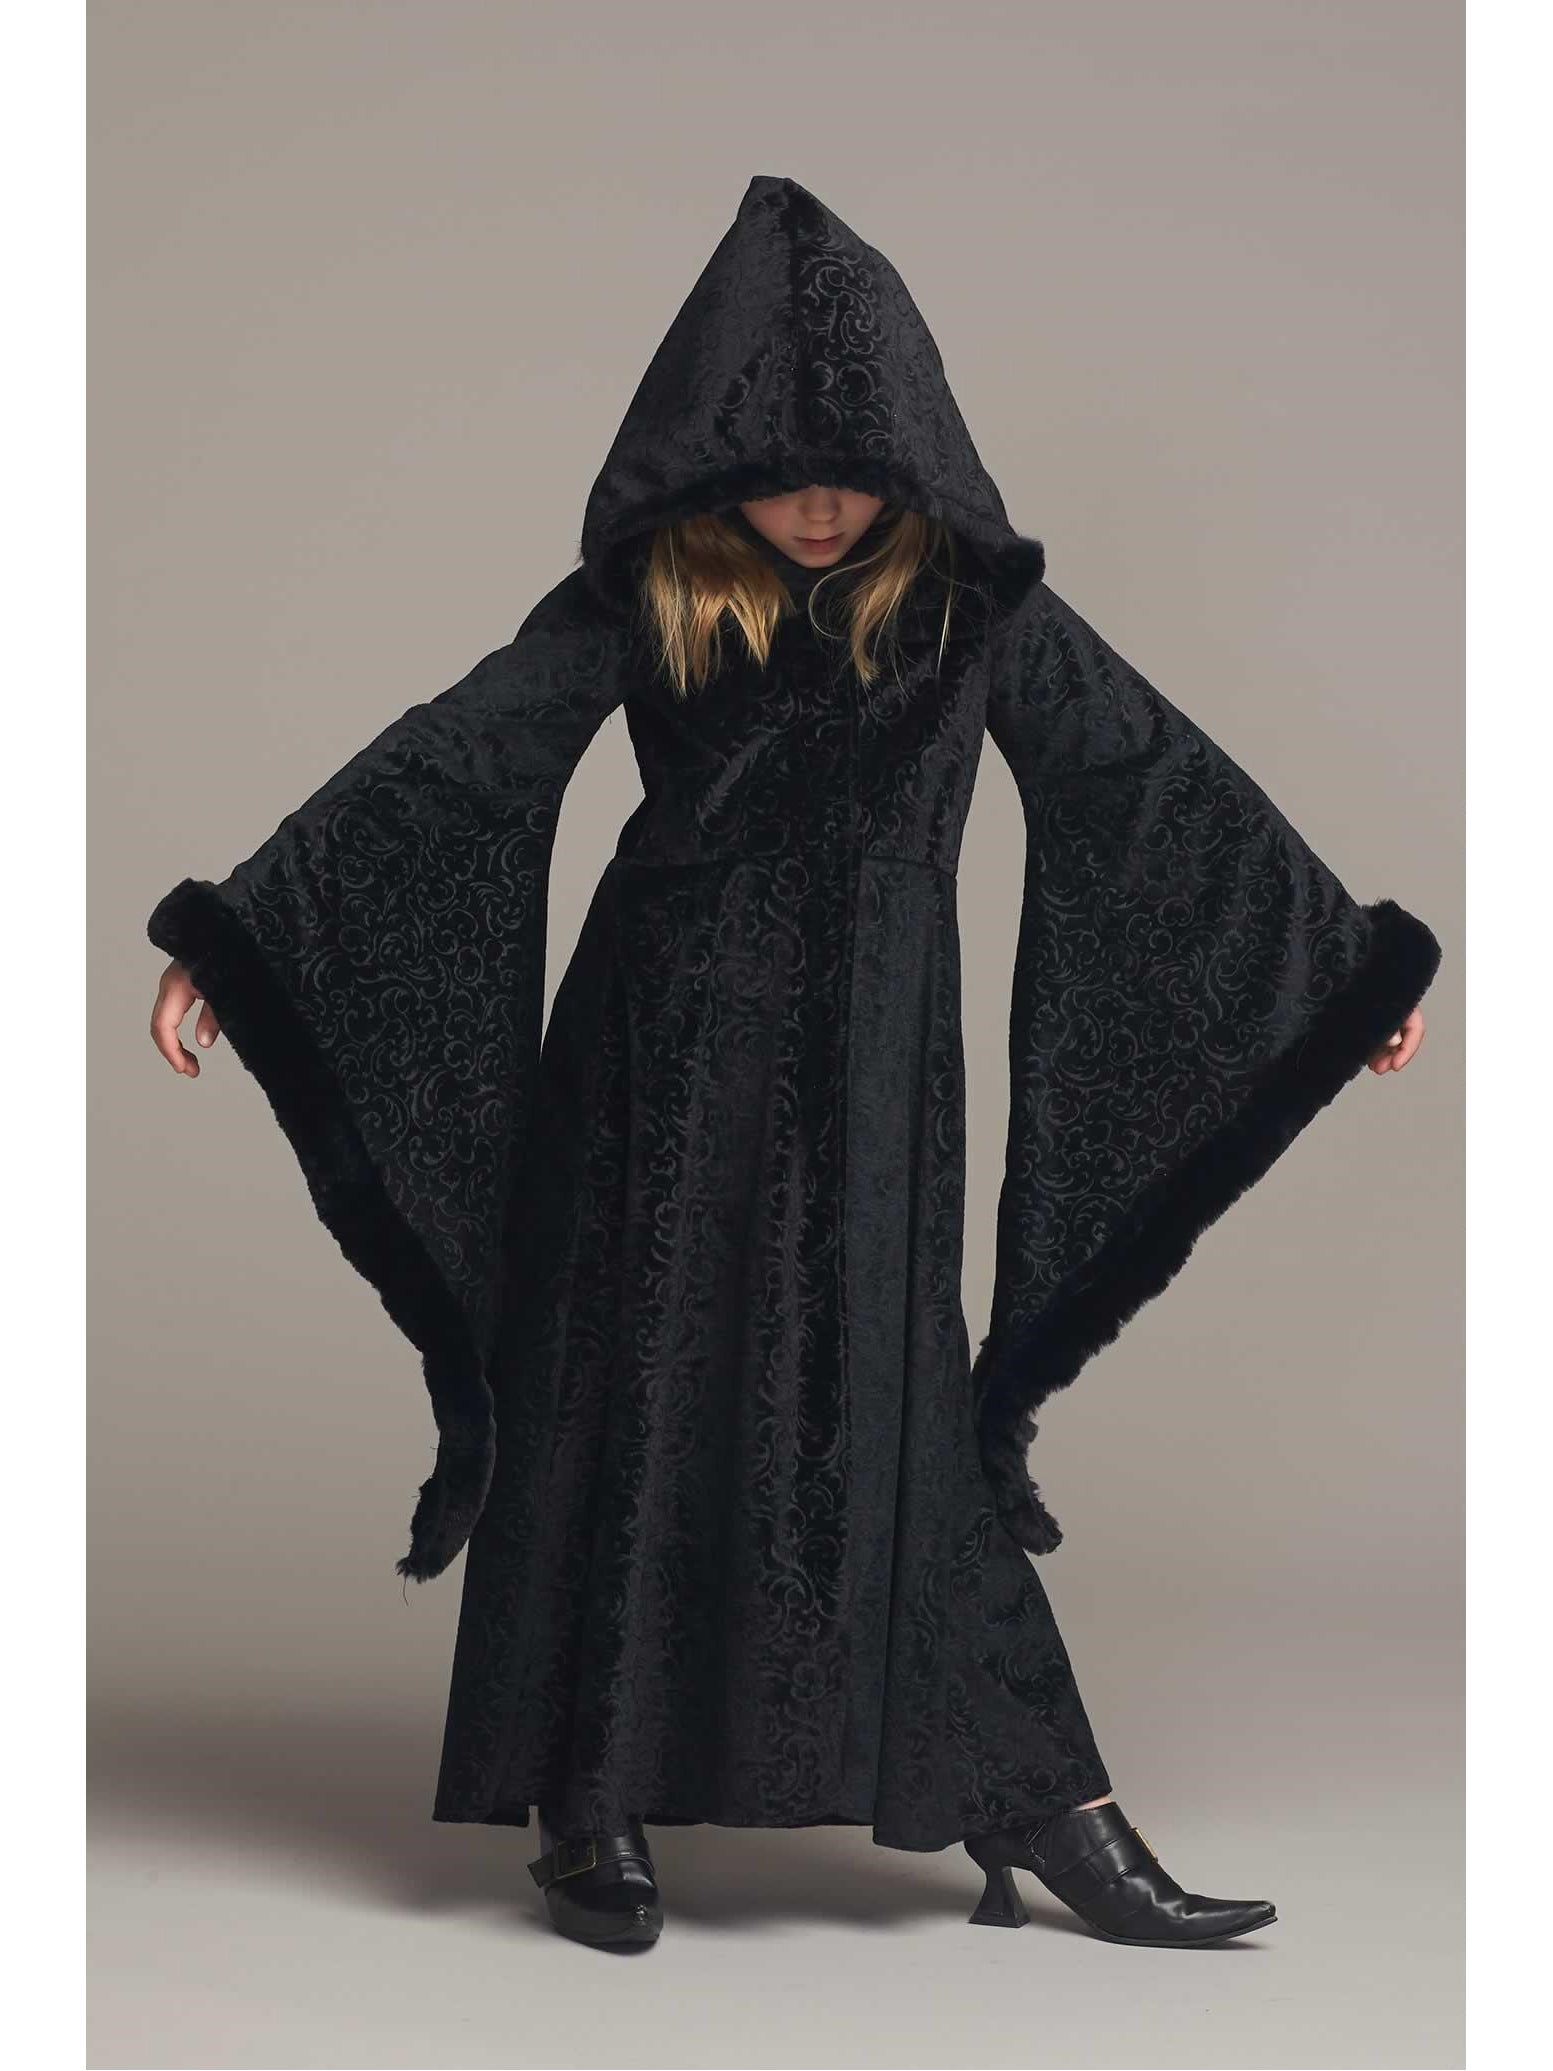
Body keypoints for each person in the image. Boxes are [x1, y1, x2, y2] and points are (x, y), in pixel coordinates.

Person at [146, 173, 1437, 1955]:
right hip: (654, 1063)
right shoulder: (647, 599)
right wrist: (243, 938)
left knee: (894, 1408)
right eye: (779, 471)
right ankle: (587, 1795)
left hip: (873, 1082)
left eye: (853, 472)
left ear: (912, 460)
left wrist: (1334, 964)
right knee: (616, 1387)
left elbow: (1149, 780)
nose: (821, 506)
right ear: (708, 459)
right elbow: (460, 757)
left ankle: (1043, 1805)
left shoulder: (975, 613)